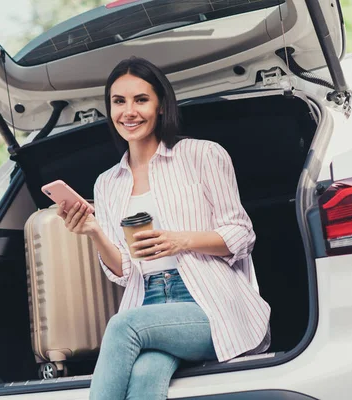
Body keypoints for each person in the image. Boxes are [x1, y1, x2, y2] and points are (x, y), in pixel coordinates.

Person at [57, 57, 271, 400]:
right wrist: (94, 231)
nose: (129, 111)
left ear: (160, 106)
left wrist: (179, 241)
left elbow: (241, 235)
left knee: (122, 326)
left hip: (208, 301)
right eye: (119, 101)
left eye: (141, 100)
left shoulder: (203, 155)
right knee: (145, 375)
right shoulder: (107, 183)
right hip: (149, 302)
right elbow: (125, 271)